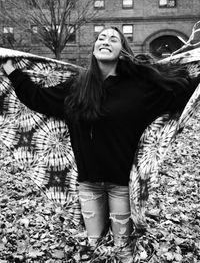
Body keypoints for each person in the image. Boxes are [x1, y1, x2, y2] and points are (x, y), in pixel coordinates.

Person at [2, 26, 200, 262]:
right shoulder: (77, 87)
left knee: (123, 249)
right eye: (101, 38)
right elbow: (38, 98)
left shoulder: (140, 89)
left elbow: (183, 90)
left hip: (122, 187)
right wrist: (10, 69)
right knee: (95, 245)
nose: (105, 41)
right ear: (94, 48)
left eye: (113, 39)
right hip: (88, 186)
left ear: (122, 50)